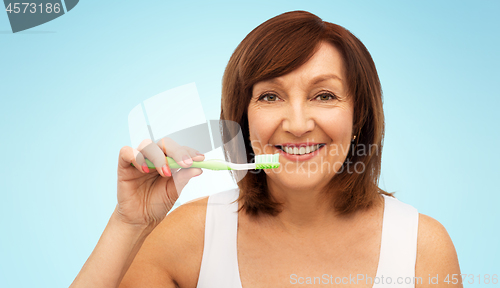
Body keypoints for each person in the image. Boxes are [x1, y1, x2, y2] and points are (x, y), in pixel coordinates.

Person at [70, 10, 462, 288]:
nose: (296, 124)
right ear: (242, 119)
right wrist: (128, 225)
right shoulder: (187, 239)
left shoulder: (421, 248)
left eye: (324, 95)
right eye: (270, 96)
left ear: (359, 117)